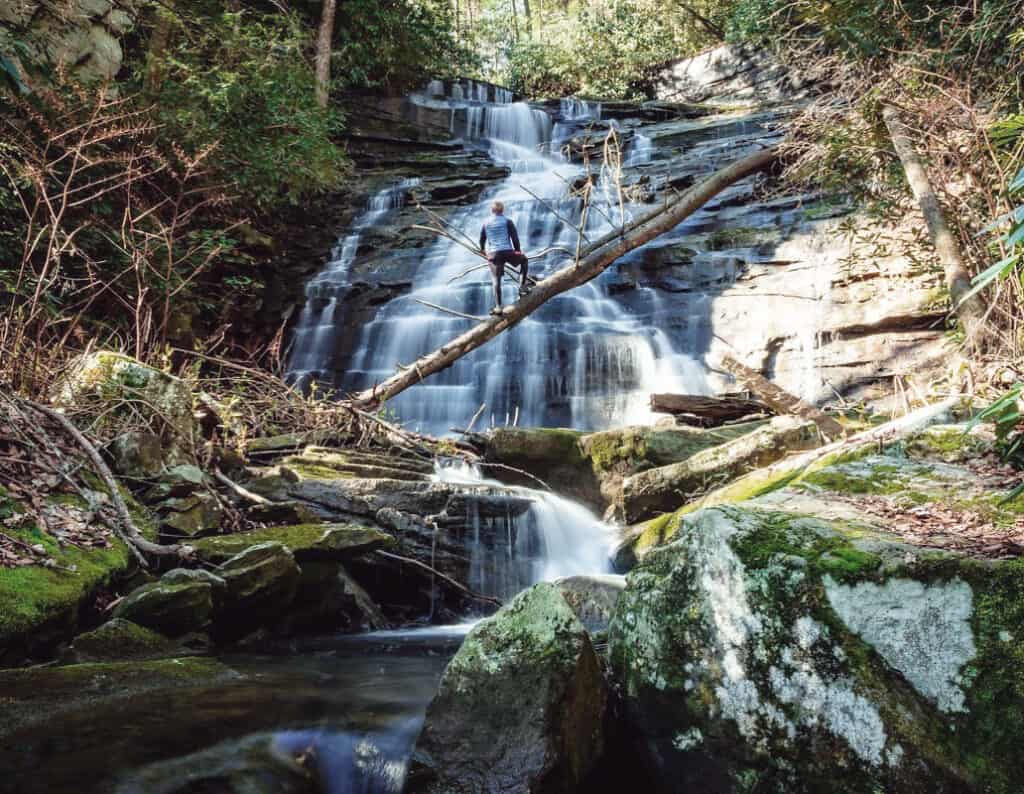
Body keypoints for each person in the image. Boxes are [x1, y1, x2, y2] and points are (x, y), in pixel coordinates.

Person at [479, 200, 530, 316]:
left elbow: (482, 239)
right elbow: (515, 238)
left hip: (494, 254)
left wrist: (482, 250)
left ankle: (498, 307)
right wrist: (517, 251)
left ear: (491, 211)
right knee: (524, 260)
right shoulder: (507, 221)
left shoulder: (485, 223)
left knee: (496, 280)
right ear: (502, 210)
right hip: (507, 252)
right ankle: (522, 287)